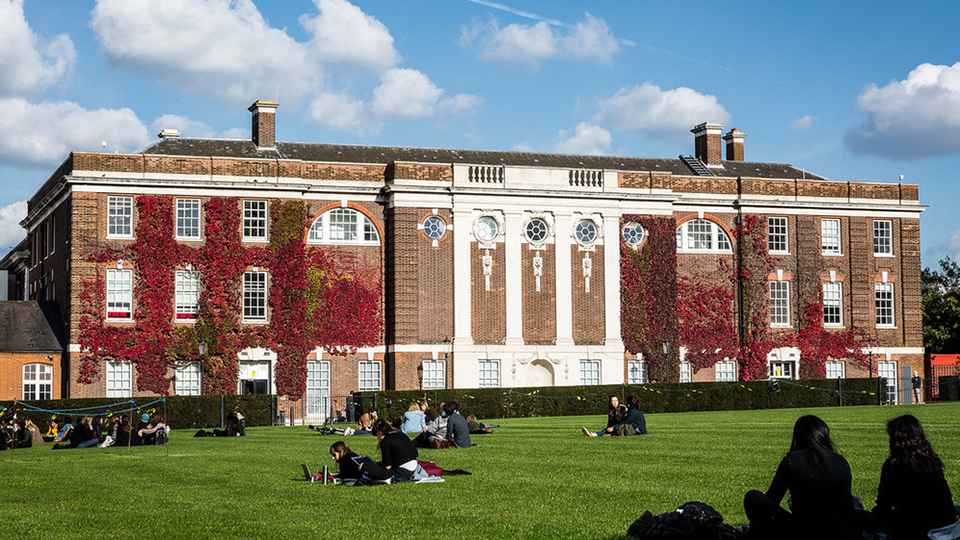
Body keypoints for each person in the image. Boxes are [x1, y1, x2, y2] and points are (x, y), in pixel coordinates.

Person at [743, 415, 859, 540]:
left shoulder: (792, 460)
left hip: (806, 531)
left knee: (753, 497)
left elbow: (772, 499)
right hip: (845, 531)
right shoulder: (841, 461)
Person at [869, 415, 956, 540]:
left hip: (917, 528)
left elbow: (885, 504)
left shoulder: (895, 465)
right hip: (946, 523)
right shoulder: (931, 461)